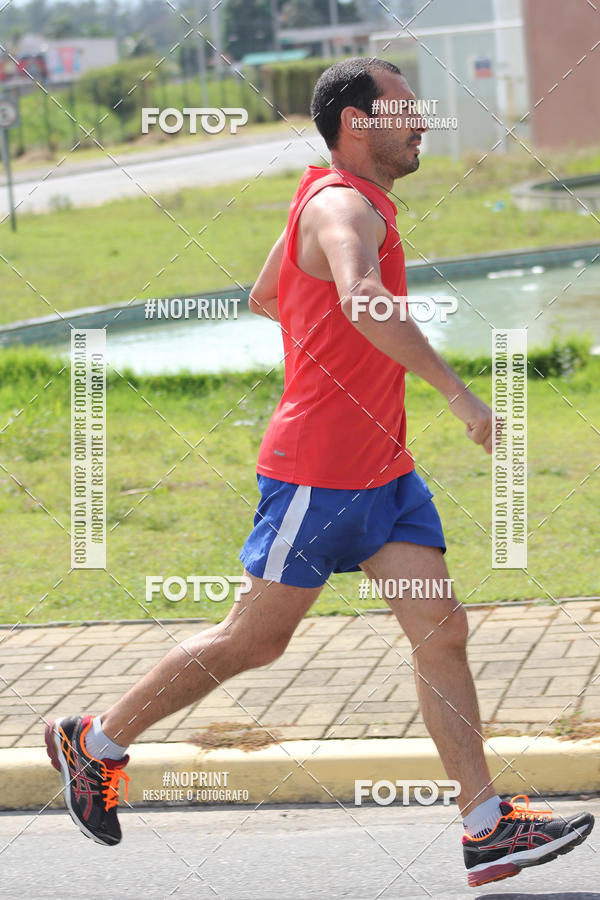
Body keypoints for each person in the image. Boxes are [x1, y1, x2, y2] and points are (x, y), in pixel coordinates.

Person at [45, 58, 593, 887]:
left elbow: (269, 293)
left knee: (441, 632)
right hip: (319, 478)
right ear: (356, 124)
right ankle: (95, 744)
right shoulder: (341, 205)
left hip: (385, 477)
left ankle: (485, 826)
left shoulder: (331, 198)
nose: (422, 123)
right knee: (255, 641)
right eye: (406, 110)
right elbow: (363, 298)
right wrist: (456, 393)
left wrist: (321, 349)